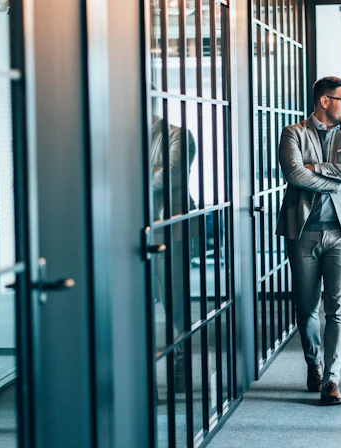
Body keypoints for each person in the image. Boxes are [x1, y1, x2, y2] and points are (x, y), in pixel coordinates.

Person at [276, 76, 341, 405]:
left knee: (338, 308)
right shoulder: (292, 133)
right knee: (306, 308)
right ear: (325, 101)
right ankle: (313, 363)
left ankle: (332, 379)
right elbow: (294, 175)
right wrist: (336, 178)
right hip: (302, 231)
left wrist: (316, 167)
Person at [150, 98, 199, 392]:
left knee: (174, 302)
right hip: (133, 231)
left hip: (172, 229)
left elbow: (169, 177)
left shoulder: (178, 135)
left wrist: (140, 173)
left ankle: (181, 365)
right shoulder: (123, 136)